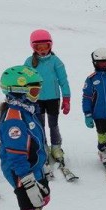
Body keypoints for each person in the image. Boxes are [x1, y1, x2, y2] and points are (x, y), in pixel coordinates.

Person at [0, 65, 57, 210]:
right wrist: (28, 182)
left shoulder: (25, 110)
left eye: (39, 89)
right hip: (21, 171)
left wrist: (43, 166)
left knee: (43, 197)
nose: (38, 94)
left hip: (33, 167)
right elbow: (16, 155)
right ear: (18, 91)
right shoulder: (14, 118)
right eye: (34, 90)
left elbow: (35, 143)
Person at [24, 29, 71, 172]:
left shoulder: (56, 61)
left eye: (45, 47)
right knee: (39, 125)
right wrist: (26, 99)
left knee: (53, 124)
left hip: (53, 99)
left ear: (50, 46)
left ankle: (56, 147)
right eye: (39, 47)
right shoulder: (29, 62)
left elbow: (63, 80)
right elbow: (25, 82)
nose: (42, 50)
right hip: (36, 99)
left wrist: (66, 98)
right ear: (33, 47)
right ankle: (42, 146)